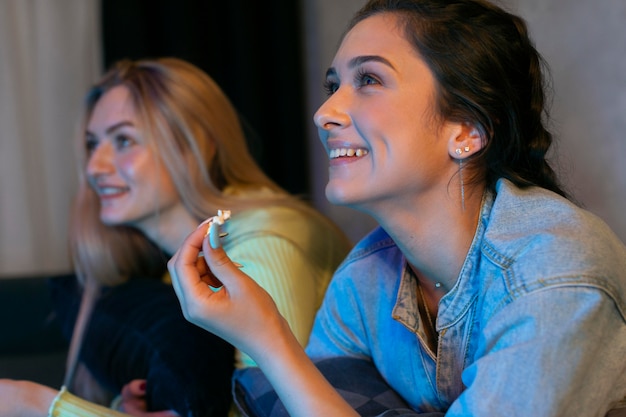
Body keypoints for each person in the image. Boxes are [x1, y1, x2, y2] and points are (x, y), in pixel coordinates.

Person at [167, 0, 626, 416]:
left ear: (467, 130)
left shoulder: (556, 271)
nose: (324, 111)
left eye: (369, 79)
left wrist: (269, 337)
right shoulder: (363, 280)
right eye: (333, 84)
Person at [0, 57, 351, 417]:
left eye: (123, 140)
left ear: (197, 145)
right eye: (93, 144)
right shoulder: (179, 265)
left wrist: (38, 406)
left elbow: (272, 412)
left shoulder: (262, 242)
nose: (94, 167)